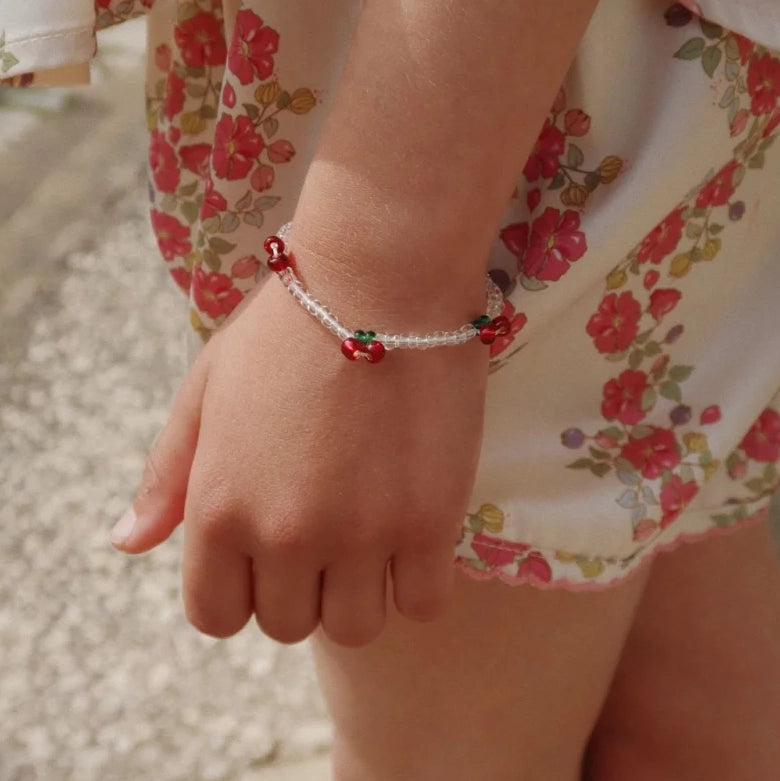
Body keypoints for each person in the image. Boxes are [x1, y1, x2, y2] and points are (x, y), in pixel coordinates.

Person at [4, 0, 779, 777]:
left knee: (446, 757)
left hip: (457, 112)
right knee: (678, 700)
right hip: (656, 85)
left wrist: (373, 274)